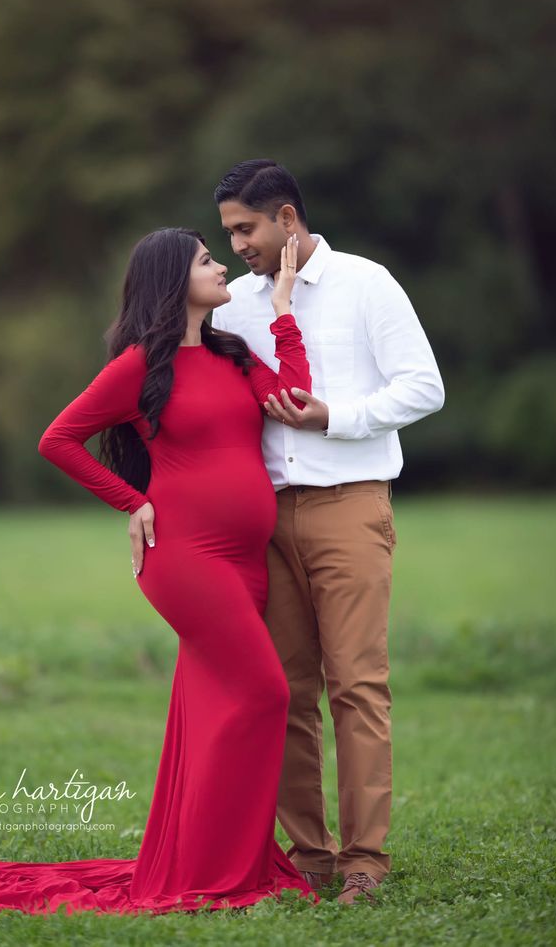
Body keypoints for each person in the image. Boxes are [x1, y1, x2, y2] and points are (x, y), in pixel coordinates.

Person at [0, 227, 321, 917]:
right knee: (265, 692)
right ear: (176, 280)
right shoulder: (141, 367)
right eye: (208, 259)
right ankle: (226, 870)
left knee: (213, 708)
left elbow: (296, 400)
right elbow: (57, 439)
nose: (221, 265)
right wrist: (134, 499)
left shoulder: (234, 355)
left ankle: (206, 859)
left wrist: (286, 307)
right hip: (186, 557)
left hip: (243, 561)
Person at [211, 159, 445, 906]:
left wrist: (335, 418)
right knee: (284, 690)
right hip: (264, 518)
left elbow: (423, 386)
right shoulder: (234, 307)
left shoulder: (367, 284)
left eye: (245, 227)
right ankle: (307, 858)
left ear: (286, 217)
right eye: (228, 232)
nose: (237, 244)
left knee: (358, 687)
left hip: (350, 505)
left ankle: (364, 862)